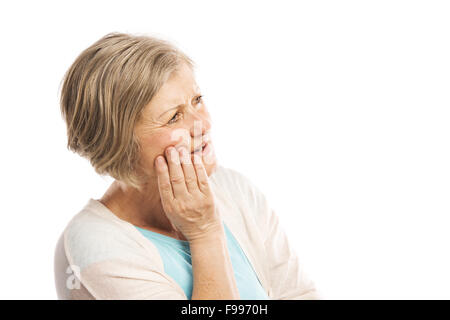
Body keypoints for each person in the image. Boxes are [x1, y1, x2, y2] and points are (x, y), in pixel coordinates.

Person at [54, 32, 320, 300]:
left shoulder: (233, 188)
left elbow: (300, 294)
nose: (203, 125)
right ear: (119, 144)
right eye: (174, 118)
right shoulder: (97, 241)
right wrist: (204, 231)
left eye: (197, 100)